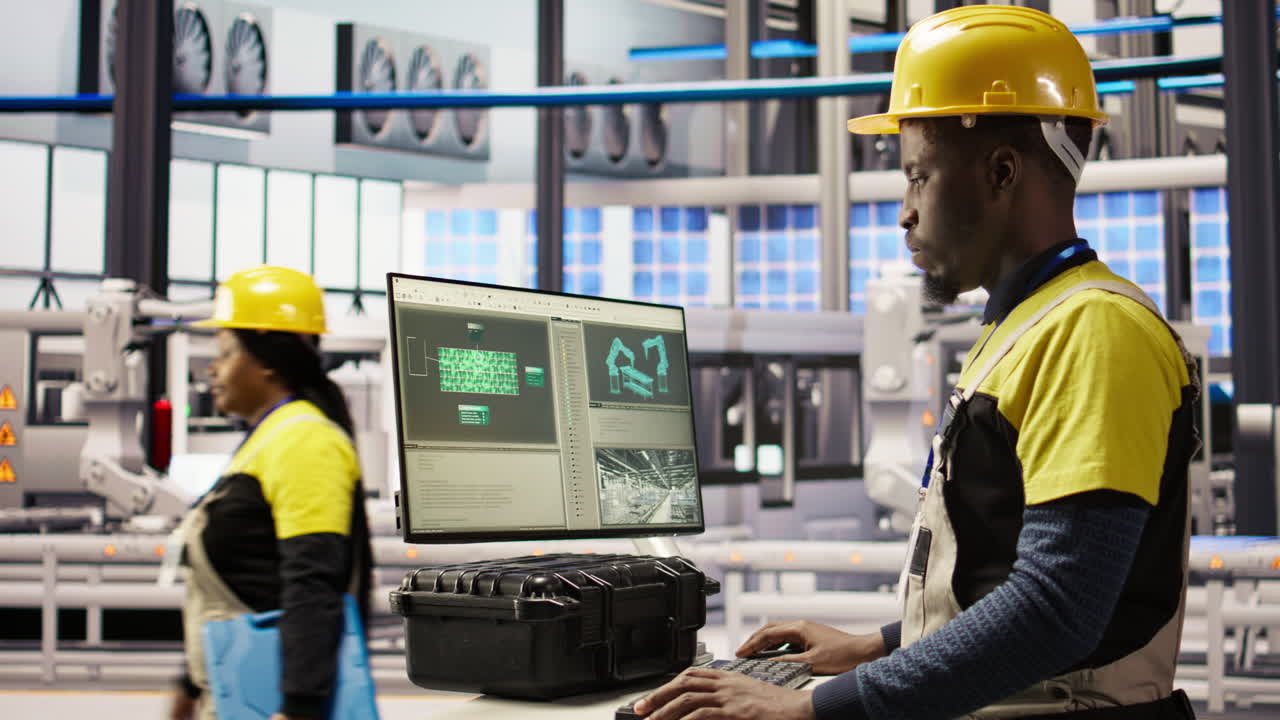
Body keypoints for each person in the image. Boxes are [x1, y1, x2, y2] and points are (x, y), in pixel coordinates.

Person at [633, 6, 1198, 719]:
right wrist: (876, 645)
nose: (904, 212)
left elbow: (1059, 607)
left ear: (1000, 172)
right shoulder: (1027, 327)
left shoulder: (1094, 332)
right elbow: (995, 576)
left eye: (918, 177)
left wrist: (813, 709)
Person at [168, 265, 374, 720]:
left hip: (270, 705)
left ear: (266, 360)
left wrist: (299, 708)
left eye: (225, 352)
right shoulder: (266, 439)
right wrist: (187, 689)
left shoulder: (306, 440)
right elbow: (238, 586)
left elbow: (313, 585)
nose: (213, 368)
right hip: (231, 694)